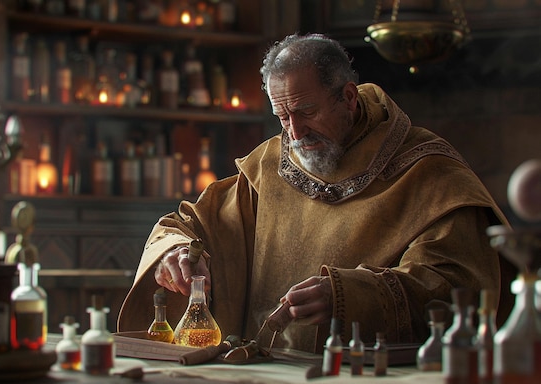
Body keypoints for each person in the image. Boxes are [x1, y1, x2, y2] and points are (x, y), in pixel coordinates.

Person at [117, 33, 510, 353]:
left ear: (349, 98)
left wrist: (351, 298)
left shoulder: (430, 171)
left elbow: (461, 287)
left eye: (306, 112)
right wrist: (179, 253)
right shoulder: (269, 164)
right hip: (264, 379)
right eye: (282, 117)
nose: (295, 133)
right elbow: (190, 224)